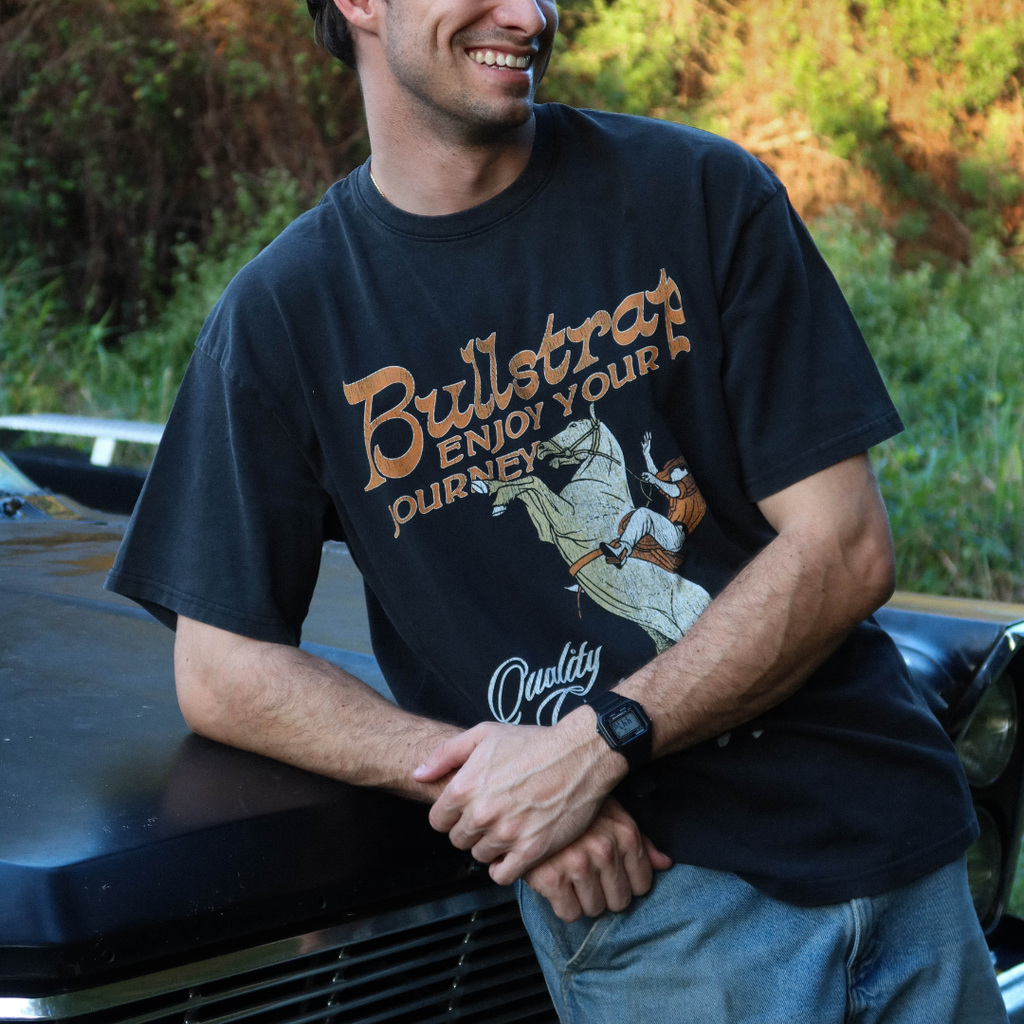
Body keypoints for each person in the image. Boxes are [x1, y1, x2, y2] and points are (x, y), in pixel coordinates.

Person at [105, 0, 1008, 1019]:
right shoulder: (285, 317)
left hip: (900, 844)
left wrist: (591, 746)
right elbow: (221, 668)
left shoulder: (701, 192)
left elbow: (844, 546)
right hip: (661, 906)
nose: (530, 13)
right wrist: (487, 786)